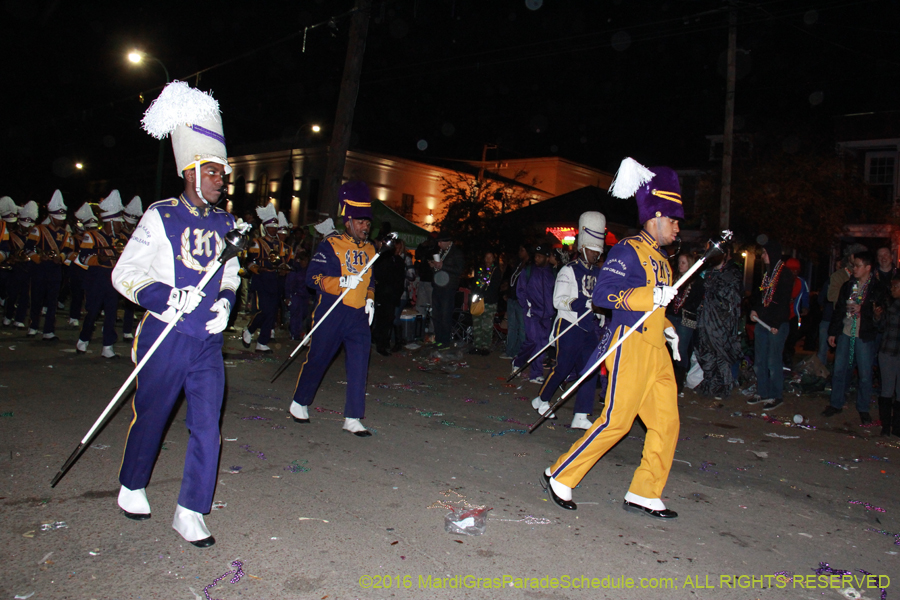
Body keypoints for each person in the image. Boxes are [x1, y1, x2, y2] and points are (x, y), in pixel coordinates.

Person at [111, 80, 242, 547]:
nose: (220, 180)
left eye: (223, 173)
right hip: (164, 338)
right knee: (153, 415)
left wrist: (226, 303)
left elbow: (231, 274)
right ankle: (132, 483)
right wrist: (164, 297)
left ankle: (191, 510)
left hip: (206, 342)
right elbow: (124, 274)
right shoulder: (161, 215)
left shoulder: (228, 224)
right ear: (190, 171)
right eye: (213, 172)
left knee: (208, 426)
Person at [541, 158, 683, 518]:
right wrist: (646, 297)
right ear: (656, 217)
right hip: (630, 343)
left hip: (656, 350)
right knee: (616, 420)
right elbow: (603, 294)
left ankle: (645, 491)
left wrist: (668, 329)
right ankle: (561, 472)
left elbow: (658, 307)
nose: (678, 226)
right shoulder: (627, 249)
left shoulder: (664, 261)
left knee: (667, 423)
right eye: (673, 218)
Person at [288, 181, 380, 437]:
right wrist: (339, 282)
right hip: (332, 311)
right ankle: (299, 402)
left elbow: (370, 279)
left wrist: (370, 297)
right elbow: (312, 279)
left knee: (360, 363)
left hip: (358, 315)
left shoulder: (371, 249)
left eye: (367, 222)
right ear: (348, 221)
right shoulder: (330, 245)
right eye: (360, 222)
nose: (365, 226)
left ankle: (353, 417)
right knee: (319, 359)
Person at [530, 211, 606, 429]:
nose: (596, 255)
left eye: (599, 251)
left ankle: (581, 415)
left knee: (589, 371)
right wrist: (583, 304)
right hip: (570, 325)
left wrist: (600, 314)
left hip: (588, 328)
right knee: (563, 367)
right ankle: (542, 399)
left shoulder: (600, 273)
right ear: (583, 248)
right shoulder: (568, 270)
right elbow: (558, 301)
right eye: (593, 250)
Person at [824, 250, 889, 423]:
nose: (855, 269)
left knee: (865, 373)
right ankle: (836, 403)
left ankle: (863, 408)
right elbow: (839, 310)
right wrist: (833, 332)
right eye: (854, 265)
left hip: (864, 335)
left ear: (868, 267)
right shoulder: (848, 285)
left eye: (858, 266)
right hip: (846, 331)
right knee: (839, 369)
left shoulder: (877, 288)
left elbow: (882, 313)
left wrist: (865, 309)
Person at [746, 239, 794, 411]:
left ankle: (776, 395)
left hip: (775, 325)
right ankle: (763, 392)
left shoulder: (785, 274)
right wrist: (755, 310)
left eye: (765, 252)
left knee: (773, 361)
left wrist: (776, 323)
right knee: (760, 360)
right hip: (763, 323)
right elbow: (762, 298)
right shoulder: (767, 275)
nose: (763, 256)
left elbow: (781, 302)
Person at [76, 190, 125, 358]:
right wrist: (98, 258)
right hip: (96, 279)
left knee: (111, 314)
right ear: (110, 222)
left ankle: (107, 346)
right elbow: (83, 258)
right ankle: (83, 339)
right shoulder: (92, 236)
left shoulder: (120, 239)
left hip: (112, 280)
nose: (121, 226)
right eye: (118, 223)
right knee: (93, 312)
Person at [695, 243, 742, 399]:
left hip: (721, 321)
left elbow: (732, 299)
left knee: (720, 353)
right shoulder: (707, 271)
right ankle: (710, 383)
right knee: (705, 350)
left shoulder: (731, 273)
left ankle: (723, 386)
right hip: (705, 318)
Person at [242, 204, 291, 353]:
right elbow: (248, 262)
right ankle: (249, 329)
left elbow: (283, 262)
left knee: (271, 312)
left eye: (276, 227)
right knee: (263, 310)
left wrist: (284, 269)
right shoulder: (257, 243)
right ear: (265, 227)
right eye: (271, 227)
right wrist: (257, 269)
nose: (274, 230)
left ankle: (262, 342)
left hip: (274, 280)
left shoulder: (279, 245)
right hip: (261, 279)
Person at [25, 190, 73, 341]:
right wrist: (38, 257)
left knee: (52, 302)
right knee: (37, 299)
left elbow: (68, 250)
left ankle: (49, 331)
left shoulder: (65, 234)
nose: (60, 221)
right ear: (51, 216)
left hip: (55, 270)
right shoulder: (38, 230)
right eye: (58, 218)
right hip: (39, 269)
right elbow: (28, 248)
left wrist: (61, 257)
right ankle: (33, 326)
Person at [511, 244, 556, 384]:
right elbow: (520, 290)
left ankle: (536, 374)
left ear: (547, 258)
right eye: (535, 256)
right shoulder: (528, 271)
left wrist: (552, 309)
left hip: (547, 314)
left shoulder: (553, 274)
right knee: (533, 340)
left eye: (540, 256)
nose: (536, 258)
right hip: (532, 313)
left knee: (542, 344)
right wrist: (527, 306)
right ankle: (518, 361)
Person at [666, 251, 704, 394]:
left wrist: (682, 307)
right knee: (667, 348)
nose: (680, 265)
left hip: (686, 320)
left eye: (683, 262)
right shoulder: (674, 278)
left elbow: (695, 302)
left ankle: (679, 382)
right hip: (671, 317)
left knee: (681, 349)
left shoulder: (697, 282)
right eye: (679, 262)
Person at [428, 231, 464, 348]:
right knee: (436, 314)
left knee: (445, 314)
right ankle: (438, 339)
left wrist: (443, 266)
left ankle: (445, 342)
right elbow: (439, 269)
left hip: (448, 288)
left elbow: (459, 270)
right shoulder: (441, 252)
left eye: (440, 242)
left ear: (447, 242)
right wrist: (434, 266)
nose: (439, 245)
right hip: (438, 286)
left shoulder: (456, 252)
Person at [4, 201, 36, 329]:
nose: (26, 228)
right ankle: (8, 315)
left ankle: (19, 318)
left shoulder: (32, 237)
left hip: (28, 268)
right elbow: (7, 250)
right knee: (12, 295)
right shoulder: (11, 235)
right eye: (24, 225)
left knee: (24, 295)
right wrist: (13, 257)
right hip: (15, 269)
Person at [372, 236, 406, 356]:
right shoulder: (384, 259)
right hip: (384, 295)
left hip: (390, 295)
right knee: (382, 320)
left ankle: (383, 343)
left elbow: (400, 280)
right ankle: (381, 343)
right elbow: (379, 275)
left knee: (387, 320)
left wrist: (397, 294)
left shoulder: (397, 261)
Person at [67, 203, 97, 328]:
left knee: (91, 297)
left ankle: (90, 320)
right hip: (77, 270)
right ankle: (74, 317)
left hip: (91, 271)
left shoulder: (96, 239)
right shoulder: (73, 238)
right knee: (77, 295)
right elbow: (67, 254)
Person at [877, 274, 900, 437]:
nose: (892, 289)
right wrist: (878, 316)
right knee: (887, 389)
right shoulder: (890, 305)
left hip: (891, 351)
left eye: (896, 286)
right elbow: (881, 326)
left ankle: (893, 427)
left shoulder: (893, 306)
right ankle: (887, 426)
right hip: (888, 351)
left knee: (895, 391)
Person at [470, 250, 502, 356]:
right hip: (478, 300)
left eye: (490, 257)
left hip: (489, 301)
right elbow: (475, 283)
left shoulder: (496, 270)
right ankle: (477, 345)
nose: (488, 259)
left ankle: (486, 346)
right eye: (486, 257)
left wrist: (486, 294)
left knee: (487, 325)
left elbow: (495, 286)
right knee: (477, 323)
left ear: (493, 259)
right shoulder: (480, 269)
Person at [120, 196, 143, 340]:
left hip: (133, 270)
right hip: (117, 270)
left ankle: (127, 329)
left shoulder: (136, 233)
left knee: (130, 301)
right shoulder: (118, 233)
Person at [502, 245, 529, 359]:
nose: (520, 252)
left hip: (521, 301)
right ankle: (510, 351)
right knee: (512, 326)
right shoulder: (518, 264)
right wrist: (508, 293)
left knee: (522, 328)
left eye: (522, 250)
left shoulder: (530, 266)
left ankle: (521, 352)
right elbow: (511, 280)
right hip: (512, 299)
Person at [782, 257, 809, 368]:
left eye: (796, 270)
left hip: (794, 315)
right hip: (781, 316)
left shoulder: (801, 283)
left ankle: (788, 355)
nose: (793, 272)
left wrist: (805, 307)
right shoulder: (780, 282)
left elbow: (806, 295)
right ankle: (784, 357)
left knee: (793, 335)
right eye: (791, 269)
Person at [285, 249, 311, 341]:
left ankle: (295, 330)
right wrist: (288, 296)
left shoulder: (308, 271)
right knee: (296, 315)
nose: (305, 262)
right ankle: (295, 333)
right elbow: (289, 283)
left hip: (304, 296)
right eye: (303, 260)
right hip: (295, 295)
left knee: (303, 314)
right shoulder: (295, 270)